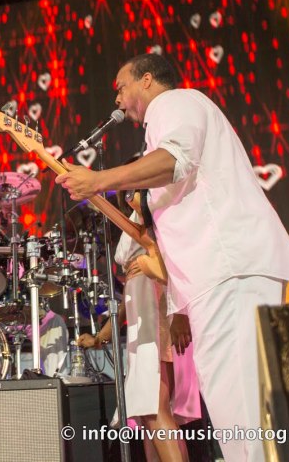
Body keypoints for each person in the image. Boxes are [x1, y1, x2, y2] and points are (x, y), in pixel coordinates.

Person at [56, 53, 289, 462]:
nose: (116, 98)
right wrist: (180, 307)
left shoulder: (173, 102)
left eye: (121, 86)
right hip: (223, 274)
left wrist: (98, 180)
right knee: (245, 410)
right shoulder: (173, 117)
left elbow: (176, 160)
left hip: (228, 269)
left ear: (147, 80)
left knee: (243, 410)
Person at [79, 186, 200, 462]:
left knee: (153, 407)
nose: (128, 196)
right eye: (127, 191)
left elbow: (178, 263)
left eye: (135, 189)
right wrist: (102, 335)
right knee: (150, 414)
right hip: (142, 315)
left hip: (156, 313)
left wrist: (180, 313)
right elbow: (130, 292)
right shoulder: (135, 221)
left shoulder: (159, 213)